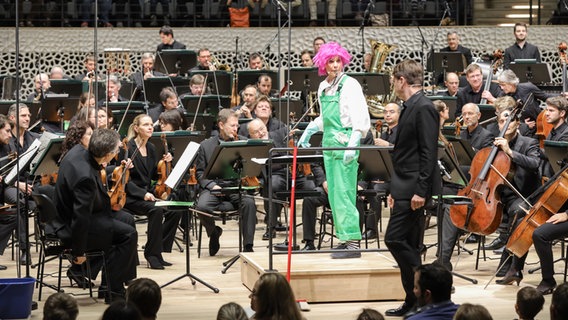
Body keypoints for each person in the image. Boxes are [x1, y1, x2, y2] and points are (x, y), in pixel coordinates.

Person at [298, 42, 370, 259]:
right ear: (323, 64)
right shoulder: (323, 87)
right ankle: (344, 237)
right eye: (331, 61)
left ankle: (353, 241)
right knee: (335, 194)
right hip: (329, 142)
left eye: (339, 60)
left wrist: (353, 143)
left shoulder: (350, 85)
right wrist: (309, 130)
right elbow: (326, 118)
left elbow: (360, 117)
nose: (336, 65)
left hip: (345, 141)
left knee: (346, 192)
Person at [54, 129, 138, 302]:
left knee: (127, 219)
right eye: (115, 151)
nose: (116, 154)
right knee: (128, 235)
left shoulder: (78, 151)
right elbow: (81, 218)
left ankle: (111, 283)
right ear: (107, 155)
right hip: (73, 224)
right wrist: (79, 251)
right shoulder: (85, 177)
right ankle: (113, 292)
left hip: (85, 214)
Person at [383, 59, 439, 317]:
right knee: (406, 241)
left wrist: (420, 190)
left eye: (394, 80)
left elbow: (428, 153)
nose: (393, 84)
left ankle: (425, 281)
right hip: (404, 186)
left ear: (402, 80)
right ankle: (412, 301)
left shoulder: (424, 107)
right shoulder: (409, 106)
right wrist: (395, 189)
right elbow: (404, 153)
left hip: (415, 188)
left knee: (393, 238)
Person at [194, 109, 258, 255]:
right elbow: (200, 173)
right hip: (214, 186)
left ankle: (248, 246)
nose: (236, 129)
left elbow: (251, 168)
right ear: (221, 125)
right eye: (232, 126)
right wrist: (212, 185)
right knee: (201, 207)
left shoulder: (242, 142)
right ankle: (214, 232)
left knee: (249, 203)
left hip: (235, 186)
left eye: (237, 126)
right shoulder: (206, 145)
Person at [124, 114, 181, 269]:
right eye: (145, 125)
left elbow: (154, 175)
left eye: (151, 124)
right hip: (131, 196)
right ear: (136, 128)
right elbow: (124, 181)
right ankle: (151, 255)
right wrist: (143, 194)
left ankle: (159, 250)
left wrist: (166, 163)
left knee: (175, 210)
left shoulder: (151, 147)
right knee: (156, 211)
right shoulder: (128, 148)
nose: (150, 127)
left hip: (148, 193)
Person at [3, 103, 41, 265]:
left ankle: (55, 240)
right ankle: (25, 249)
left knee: (51, 193)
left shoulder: (34, 138)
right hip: (10, 185)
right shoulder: (4, 138)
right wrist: (19, 184)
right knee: (20, 202)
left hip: (32, 183)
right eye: (23, 116)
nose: (28, 118)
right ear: (12, 118)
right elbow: (3, 171)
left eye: (28, 115)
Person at [488, 69, 554, 137]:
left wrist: (562, 96)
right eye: (500, 85)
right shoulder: (502, 96)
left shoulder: (528, 88)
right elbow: (503, 117)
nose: (501, 88)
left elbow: (546, 97)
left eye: (503, 85)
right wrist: (523, 125)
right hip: (520, 131)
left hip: (539, 126)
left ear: (511, 83)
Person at [0, 114, 19, 270]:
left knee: (14, 215)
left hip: (3, 188)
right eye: (6, 131)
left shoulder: (7, 145)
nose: (9, 135)